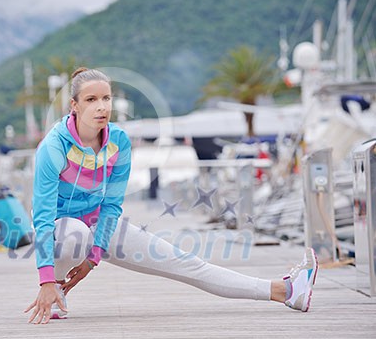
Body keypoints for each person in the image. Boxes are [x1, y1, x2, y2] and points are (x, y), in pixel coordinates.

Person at [25, 67, 318, 324]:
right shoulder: (54, 147)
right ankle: (56, 291)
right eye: (91, 100)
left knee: (187, 263)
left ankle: (286, 291)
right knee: (75, 233)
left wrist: (92, 260)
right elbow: (43, 216)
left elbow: (112, 206)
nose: (101, 107)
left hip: (99, 224)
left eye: (106, 98)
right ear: (73, 105)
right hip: (61, 232)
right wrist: (47, 279)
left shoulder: (118, 141)